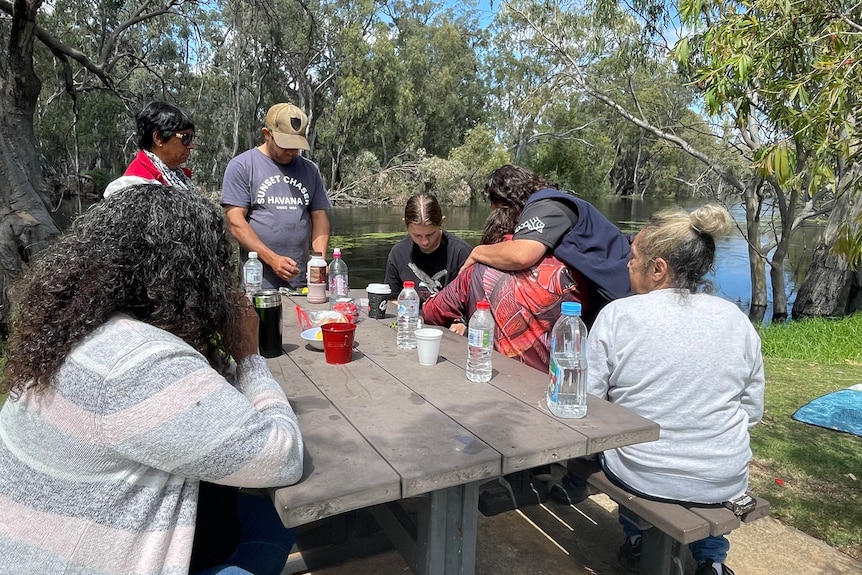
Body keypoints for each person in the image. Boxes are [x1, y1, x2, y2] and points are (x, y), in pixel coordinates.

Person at [0, 185, 304, 575]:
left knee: (258, 512)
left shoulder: (75, 332)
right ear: (193, 276)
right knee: (278, 522)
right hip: (78, 560)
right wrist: (247, 356)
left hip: (32, 547)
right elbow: (282, 457)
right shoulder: (140, 361)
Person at [586, 204, 765, 575]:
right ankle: (711, 561)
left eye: (633, 256)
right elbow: (753, 410)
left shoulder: (619, 315)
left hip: (643, 472)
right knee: (707, 481)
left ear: (658, 268)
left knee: (626, 452)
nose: (627, 264)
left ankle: (637, 538)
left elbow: (589, 401)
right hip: (723, 475)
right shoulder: (736, 319)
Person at [460, 165, 631, 326]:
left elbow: (522, 255)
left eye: (497, 207)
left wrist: (478, 251)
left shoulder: (547, 205)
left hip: (622, 297)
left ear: (507, 199)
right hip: (607, 297)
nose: (495, 212)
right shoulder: (549, 202)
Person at [221, 102, 331, 290]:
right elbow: (235, 223)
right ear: (267, 134)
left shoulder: (309, 170)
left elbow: (320, 218)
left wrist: (319, 260)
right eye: (285, 145)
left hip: (303, 284)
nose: (291, 152)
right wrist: (272, 259)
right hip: (258, 284)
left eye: (296, 146)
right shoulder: (242, 166)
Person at [385, 192, 471, 305]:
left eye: (430, 234)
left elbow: (470, 301)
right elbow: (393, 299)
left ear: (442, 222)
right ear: (405, 224)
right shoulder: (398, 253)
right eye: (417, 235)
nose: (424, 242)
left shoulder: (461, 253)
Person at [104, 101, 197, 197]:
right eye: (185, 137)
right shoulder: (130, 189)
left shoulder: (182, 179)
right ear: (158, 138)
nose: (191, 145)